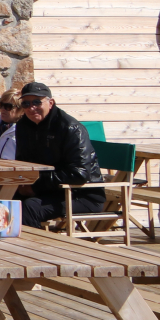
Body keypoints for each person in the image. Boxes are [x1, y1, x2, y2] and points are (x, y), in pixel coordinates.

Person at [13, 82, 104, 227]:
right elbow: (22, 161)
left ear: (50, 103)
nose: (31, 108)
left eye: (37, 102)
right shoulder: (23, 125)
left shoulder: (71, 128)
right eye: (26, 103)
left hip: (81, 194)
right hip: (48, 190)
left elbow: (79, 174)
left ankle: (33, 248)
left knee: (30, 207)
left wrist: (35, 186)